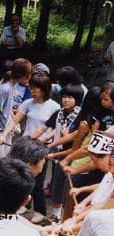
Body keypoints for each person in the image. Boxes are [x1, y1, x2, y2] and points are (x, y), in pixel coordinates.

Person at [0, 73, 60, 222]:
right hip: (25, 144)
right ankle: (24, 204)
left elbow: (55, 128)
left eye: (35, 88)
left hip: (41, 147)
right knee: (21, 176)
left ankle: (40, 211)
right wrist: (3, 134)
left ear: (44, 90)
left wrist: (45, 140)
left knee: (38, 181)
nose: (32, 91)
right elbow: (15, 120)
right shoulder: (27, 103)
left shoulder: (54, 106)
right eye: (31, 87)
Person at [32, 83, 84, 221]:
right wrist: (34, 139)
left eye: (70, 97)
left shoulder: (81, 116)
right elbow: (46, 128)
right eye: (64, 97)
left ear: (77, 99)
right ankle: (56, 214)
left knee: (68, 186)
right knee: (57, 183)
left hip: (72, 154)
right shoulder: (59, 113)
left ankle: (68, 218)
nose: (65, 100)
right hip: (58, 151)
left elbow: (71, 135)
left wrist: (64, 134)